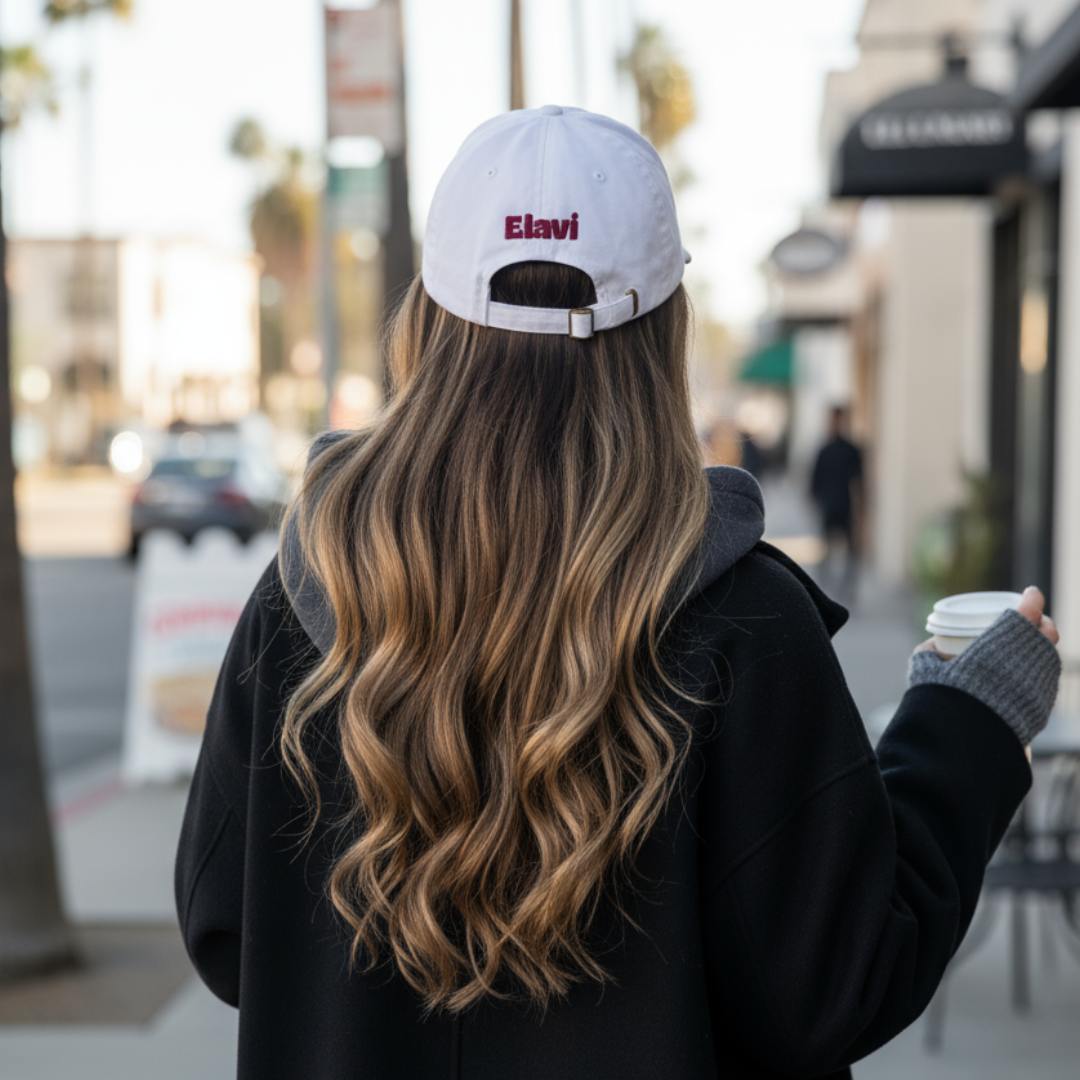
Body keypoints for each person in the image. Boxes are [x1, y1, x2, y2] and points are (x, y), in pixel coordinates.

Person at [175, 107, 1062, 1080]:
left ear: (426, 317)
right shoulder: (746, 622)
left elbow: (224, 930)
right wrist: (966, 722)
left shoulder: (306, 597)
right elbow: (836, 984)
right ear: (664, 329)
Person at [810, 405, 863, 601]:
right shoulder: (824, 450)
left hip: (846, 506)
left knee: (851, 553)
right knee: (826, 550)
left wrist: (861, 513)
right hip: (828, 506)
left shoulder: (852, 450)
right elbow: (814, 482)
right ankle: (824, 589)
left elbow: (860, 483)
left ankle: (847, 590)